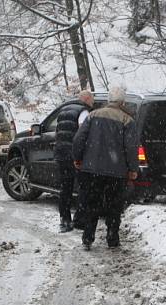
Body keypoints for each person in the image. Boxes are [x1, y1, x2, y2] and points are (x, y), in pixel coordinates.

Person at [72, 87, 138, 250]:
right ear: (122, 101)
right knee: (114, 206)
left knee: (92, 203)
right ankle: (112, 237)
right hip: (116, 172)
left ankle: (88, 237)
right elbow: (131, 147)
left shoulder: (93, 115)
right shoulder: (127, 120)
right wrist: (132, 168)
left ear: (109, 100)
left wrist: (78, 158)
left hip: (92, 169)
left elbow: (79, 138)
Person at [54, 90, 94, 233]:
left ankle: (65, 220)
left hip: (61, 154)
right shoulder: (83, 112)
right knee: (83, 187)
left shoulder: (64, 110)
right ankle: (79, 219)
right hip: (74, 155)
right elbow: (83, 134)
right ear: (87, 99)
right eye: (92, 100)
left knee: (65, 188)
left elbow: (58, 133)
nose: (93, 103)